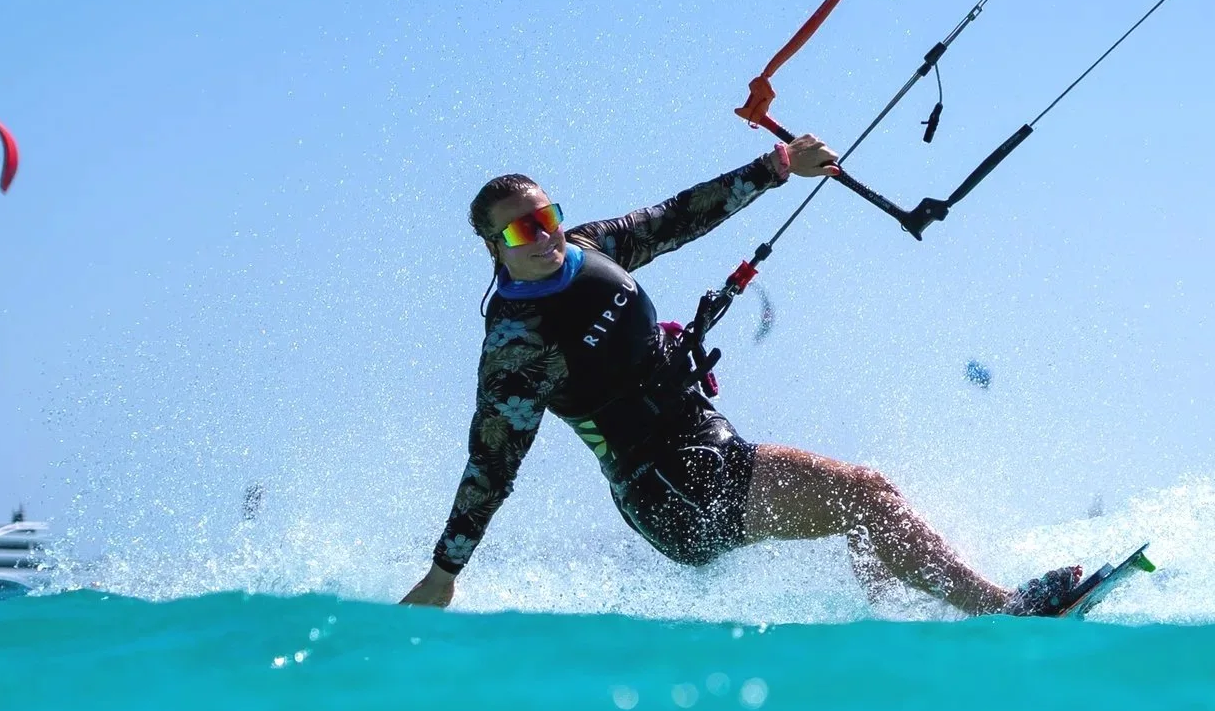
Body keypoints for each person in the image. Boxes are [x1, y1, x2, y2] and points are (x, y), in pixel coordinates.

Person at [403, 135, 1086, 615]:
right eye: (521, 231)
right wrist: (445, 571)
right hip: (670, 488)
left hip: (705, 441)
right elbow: (492, 462)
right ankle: (1006, 611)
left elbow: (679, 216)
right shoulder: (518, 344)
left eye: (546, 217)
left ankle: (903, 630)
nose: (544, 236)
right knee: (867, 495)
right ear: (494, 247)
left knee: (864, 514)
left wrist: (778, 164)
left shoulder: (590, 246)